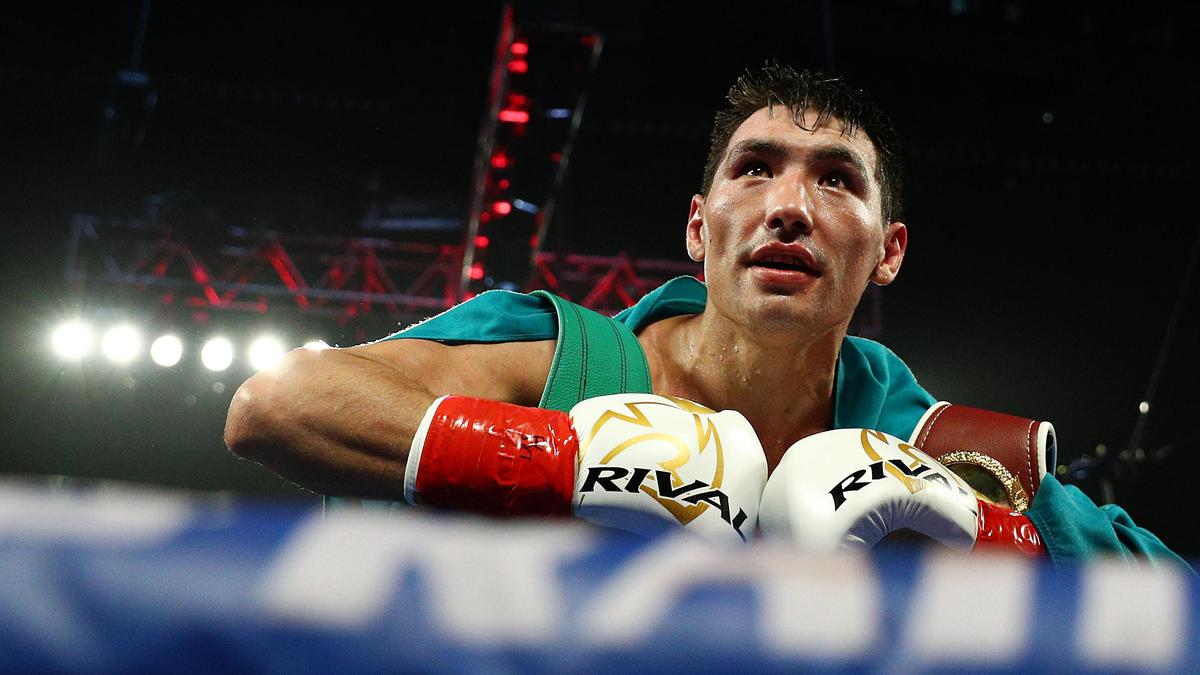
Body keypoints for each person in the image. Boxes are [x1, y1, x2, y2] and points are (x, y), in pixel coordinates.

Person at [224, 63, 1188, 566]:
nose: (789, 207)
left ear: (888, 251)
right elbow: (279, 403)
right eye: (755, 168)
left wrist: (992, 538)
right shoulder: (565, 361)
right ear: (699, 226)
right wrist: (571, 463)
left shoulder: (946, 453)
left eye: (837, 180)